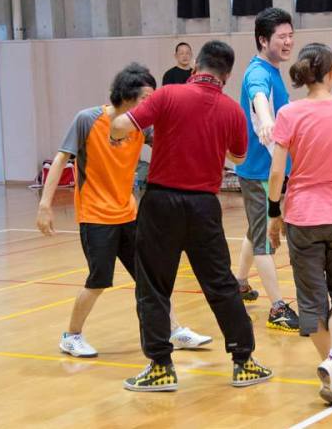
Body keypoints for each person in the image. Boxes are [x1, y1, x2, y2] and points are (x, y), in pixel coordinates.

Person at [110, 41, 272, 391]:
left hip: (161, 204)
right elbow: (240, 158)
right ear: (226, 75)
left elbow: (123, 125)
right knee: (221, 284)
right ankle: (244, 360)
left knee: (153, 286)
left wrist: (114, 120)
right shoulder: (232, 110)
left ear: (196, 65)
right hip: (204, 207)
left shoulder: (168, 95)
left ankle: (160, 367)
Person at [36, 63, 211, 359]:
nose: (150, 103)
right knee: (99, 279)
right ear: (126, 95)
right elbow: (60, 159)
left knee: (148, 277)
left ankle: (173, 329)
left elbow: (173, 145)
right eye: (146, 97)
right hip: (95, 216)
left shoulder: (140, 126)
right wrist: (45, 205)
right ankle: (71, 336)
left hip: (128, 214)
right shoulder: (87, 120)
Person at [267, 43, 332, 405]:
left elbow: (277, 172)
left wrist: (274, 211)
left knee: (311, 301)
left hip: (303, 217)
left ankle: (331, 364)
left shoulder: (288, 113)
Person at [233, 7, 299, 332]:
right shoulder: (257, 74)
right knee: (264, 240)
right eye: (281, 37)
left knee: (254, 228)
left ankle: (239, 283)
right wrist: (269, 122)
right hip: (259, 171)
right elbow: (258, 98)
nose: (288, 42)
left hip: (269, 168)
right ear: (263, 39)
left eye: (290, 36)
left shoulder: (273, 70)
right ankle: (277, 308)